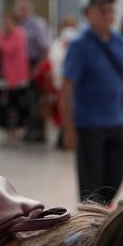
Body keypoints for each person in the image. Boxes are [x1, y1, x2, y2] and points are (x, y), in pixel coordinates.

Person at [61, 0, 123, 203]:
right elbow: (66, 90)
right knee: (90, 184)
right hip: (89, 125)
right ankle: (90, 223)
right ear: (89, 14)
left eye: (111, 11)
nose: (107, 15)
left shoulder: (121, 42)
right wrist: (68, 129)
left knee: (117, 174)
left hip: (117, 120)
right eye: (102, 11)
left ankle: (99, 213)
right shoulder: (79, 45)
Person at [0, 10, 30, 142]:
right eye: (4, 21)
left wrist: (0, 41)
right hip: (3, 75)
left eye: (8, 21)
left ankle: (19, 130)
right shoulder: (1, 35)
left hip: (17, 76)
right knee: (4, 105)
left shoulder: (19, 34)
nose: (5, 23)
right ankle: (7, 131)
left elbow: (9, 49)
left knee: (18, 104)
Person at [14, 0, 51, 143]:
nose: (22, 12)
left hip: (36, 62)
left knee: (37, 99)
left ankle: (39, 132)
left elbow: (45, 47)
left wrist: (38, 67)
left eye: (24, 8)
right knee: (27, 100)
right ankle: (29, 129)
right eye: (19, 9)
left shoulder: (37, 24)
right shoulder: (19, 24)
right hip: (22, 64)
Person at [48, 16, 78, 149]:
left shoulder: (79, 42)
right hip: (60, 82)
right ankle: (62, 135)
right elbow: (53, 61)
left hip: (76, 85)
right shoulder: (57, 44)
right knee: (61, 111)